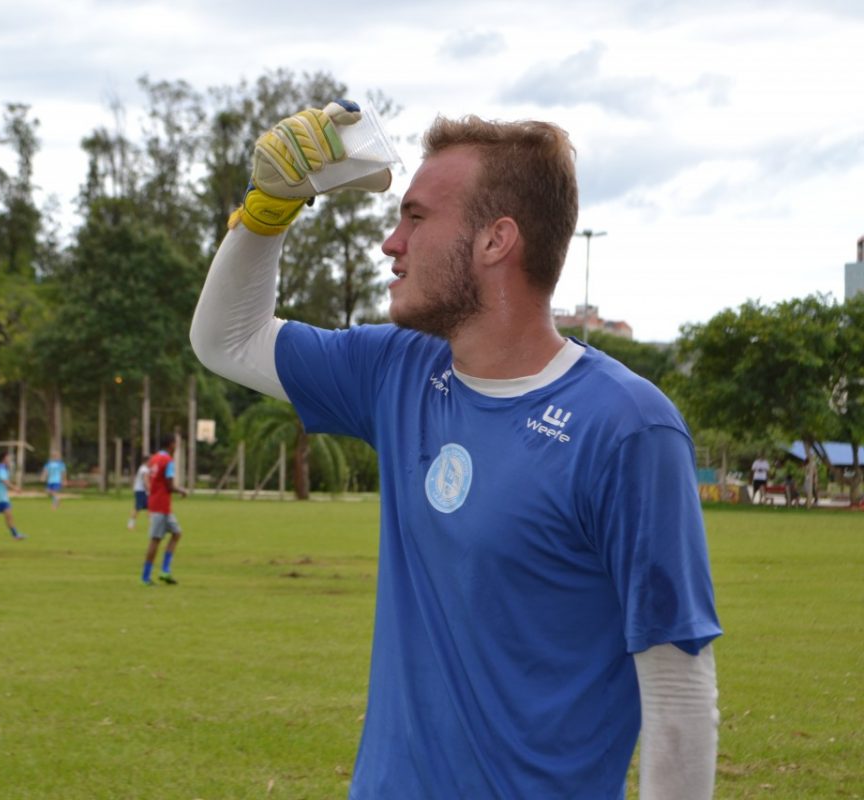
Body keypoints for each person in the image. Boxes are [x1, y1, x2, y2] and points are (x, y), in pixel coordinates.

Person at [190, 101, 722, 798]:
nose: (390, 241)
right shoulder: (399, 369)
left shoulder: (624, 427)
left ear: (496, 241)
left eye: (415, 217)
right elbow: (226, 341)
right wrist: (267, 211)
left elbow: (678, 690)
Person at [140, 434, 186, 585]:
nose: (177, 447)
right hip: (160, 505)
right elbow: (169, 485)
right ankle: (145, 577)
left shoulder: (154, 458)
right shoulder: (168, 461)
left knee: (177, 533)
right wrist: (181, 490)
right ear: (171, 444)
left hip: (160, 504)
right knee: (155, 540)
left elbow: (147, 475)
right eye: (176, 444)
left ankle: (165, 571)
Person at [127, 455, 150, 530]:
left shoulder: (144, 468)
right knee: (137, 508)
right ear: (147, 461)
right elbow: (145, 481)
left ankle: (153, 525)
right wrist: (149, 489)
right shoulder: (144, 469)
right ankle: (131, 524)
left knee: (150, 507)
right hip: (141, 491)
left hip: (142, 491)